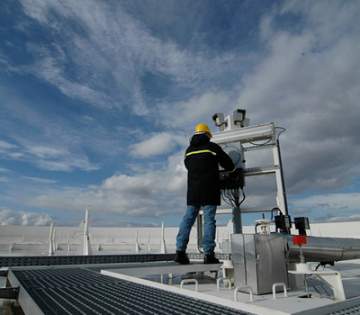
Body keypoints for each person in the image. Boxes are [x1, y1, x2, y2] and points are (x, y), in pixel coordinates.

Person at [175, 123, 235, 264]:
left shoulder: (188, 150)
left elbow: (188, 166)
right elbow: (229, 165)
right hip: (210, 190)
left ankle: (180, 252)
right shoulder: (212, 147)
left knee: (188, 219)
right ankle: (208, 255)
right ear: (207, 135)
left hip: (193, 191)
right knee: (209, 220)